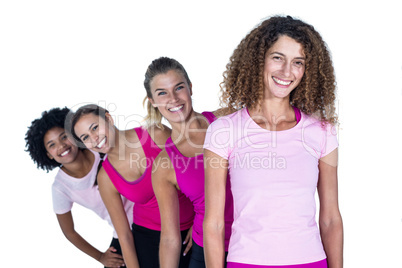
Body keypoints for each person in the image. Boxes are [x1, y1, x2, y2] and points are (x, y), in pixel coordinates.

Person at [203, 15, 343, 268]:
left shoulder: (322, 132)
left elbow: (331, 218)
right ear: (258, 61)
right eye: (278, 58)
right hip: (246, 262)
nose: (287, 72)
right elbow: (213, 224)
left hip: (310, 262)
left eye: (298, 62)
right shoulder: (223, 130)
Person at [70, 104, 194, 268]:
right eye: (85, 137)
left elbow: (199, 176)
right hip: (148, 237)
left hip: (191, 228)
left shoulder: (155, 134)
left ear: (108, 119)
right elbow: (124, 236)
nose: (94, 138)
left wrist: (200, 221)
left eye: (95, 128)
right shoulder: (105, 177)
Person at [148, 57, 233, 268]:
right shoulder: (164, 165)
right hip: (205, 251)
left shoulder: (226, 119)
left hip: (254, 242)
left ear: (190, 88)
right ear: (153, 102)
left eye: (179, 88)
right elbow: (169, 237)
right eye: (162, 93)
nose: (173, 98)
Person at [25, 107, 134, 268]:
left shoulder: (99, 147)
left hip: (149, 217)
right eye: (52, 145)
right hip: (123, 233)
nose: (61, 146)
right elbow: (69, 232)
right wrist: (100, 257)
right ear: (48, 154)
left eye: (64, 137)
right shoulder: (60, 188)